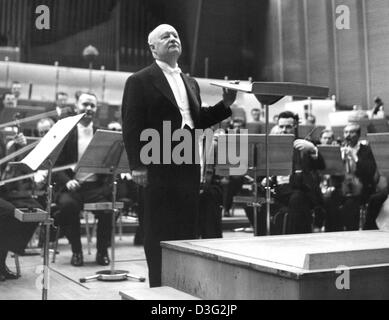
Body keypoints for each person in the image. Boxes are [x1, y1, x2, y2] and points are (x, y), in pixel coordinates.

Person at [121, 24, 236, 287]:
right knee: (158, 231)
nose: (172, 38)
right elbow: (131, 125)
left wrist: (225, 105)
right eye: (165, 36)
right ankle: (159, 290)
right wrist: (137, 165)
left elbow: (198, 120)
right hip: (156, 164)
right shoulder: (139, 80)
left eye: (175, 35)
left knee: (186, 230)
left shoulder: (191, 82)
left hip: (187, 164)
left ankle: (183, 288)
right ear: (153, 47)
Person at [53, 92, 113, 267]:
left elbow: (110, 166)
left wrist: (106, 188)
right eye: (85, 104)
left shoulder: (101, 133)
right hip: (72, 187)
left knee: (110, 208)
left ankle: (102, 251)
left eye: (92, 105)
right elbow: (56, 165)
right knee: (67, 206)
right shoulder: (66, 132)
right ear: (76, 106)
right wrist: (66, 181)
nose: (89, 108)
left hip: (96, 187)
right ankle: (76, 251)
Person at [250, 111, 324, 235]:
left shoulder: (304, 145)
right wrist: (263, 180)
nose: (284, 130)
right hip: (276, 189)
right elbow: (260, 174)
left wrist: (313, 149)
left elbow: (321, 165)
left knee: (297, 198)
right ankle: (263, 241)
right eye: (281, 126)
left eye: (288, 127)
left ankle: (295, 239)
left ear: (295, 127)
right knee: (256, 202)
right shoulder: (270, 146)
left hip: (299, 189)